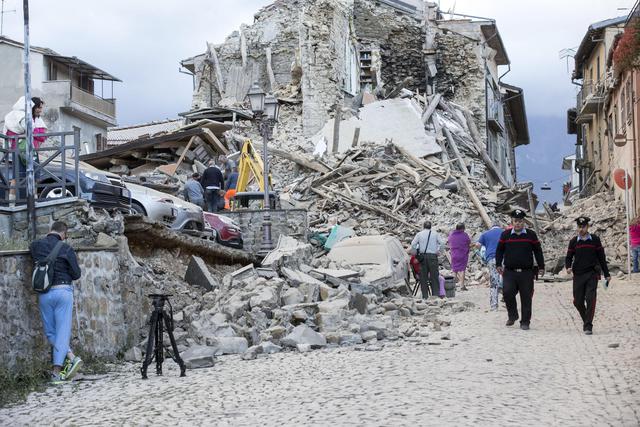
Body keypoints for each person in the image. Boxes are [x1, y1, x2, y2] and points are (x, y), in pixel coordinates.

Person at [29, 221, 83, 384]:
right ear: (64, 234)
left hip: (44, 292)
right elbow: (76, 274)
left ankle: (71, 358)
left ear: (50, 230)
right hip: (63, 292)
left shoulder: (36, 245)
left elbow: (33, 256)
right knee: (62, 331)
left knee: (51, 332)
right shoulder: (66, 248)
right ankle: (56, 372)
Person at [495, 209, 545, 330]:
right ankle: (512, 316)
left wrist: (541, 266)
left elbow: (538, 251)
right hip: (510, 272)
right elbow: (500, 250)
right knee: (507, 293)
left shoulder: (531, 235)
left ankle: (525, 322)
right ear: (512, 221)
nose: (518, 223)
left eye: (520, 221)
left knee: (526, 297)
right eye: (516, 221)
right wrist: (498, 264)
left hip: (527, 272)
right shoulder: (505, 235)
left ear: (524, 222)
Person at [565, 216, 610, 335]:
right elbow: (568, 257)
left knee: (590, 299)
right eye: (579, 227)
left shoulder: (595, 240)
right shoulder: (574, 241)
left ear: (587, 227)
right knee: (577, 301)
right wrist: (568, 267)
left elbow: (601, 258)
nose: (581, 229)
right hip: (578, 275)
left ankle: (588, 325)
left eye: (583, 227)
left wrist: (606, 273)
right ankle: (586, 319)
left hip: (592, 274)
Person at [409, 220, 443, 299]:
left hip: (423, 257)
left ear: (423, 226)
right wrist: (438, 251)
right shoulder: (435, 234)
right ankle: (435, 296)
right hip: (433, 257)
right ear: (430, 227)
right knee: (434, 276)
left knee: (423, 277)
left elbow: (413, 244)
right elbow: (442, 243)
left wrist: (415, 253)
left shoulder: (419, 234)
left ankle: (425, 297)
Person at [475, 222, 504, 311]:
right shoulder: (504, 232)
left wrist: (482, 252)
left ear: (491, 227)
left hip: (491, 258)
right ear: (499, 226)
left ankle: (494, 306)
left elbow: (477, 245)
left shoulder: (485, 234)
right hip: (504, 257)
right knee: (506, 279)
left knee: (493, 281)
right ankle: (508, 301)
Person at [448, 223, 471, 291]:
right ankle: (462, 286)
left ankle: (454, 286)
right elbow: (468, 242)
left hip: (454, 255)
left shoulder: (451, 235)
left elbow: (449, 242)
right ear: (462, 228)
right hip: (462, 254)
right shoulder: (464, 235)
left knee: (454, 270)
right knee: (462, 270)